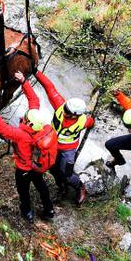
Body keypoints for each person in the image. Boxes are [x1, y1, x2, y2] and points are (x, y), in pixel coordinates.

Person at [0, 77, 56, 223]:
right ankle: (49, 209)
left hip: (23, 168)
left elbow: (1, 128)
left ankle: (27, 212)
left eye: (25, 117)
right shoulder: (40, 128)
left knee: (23, 191)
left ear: (28, 121)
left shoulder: (21, 135)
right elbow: (34, 100)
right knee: (41, 186)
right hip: (37, 166)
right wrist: (24, 82)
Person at [33, 70, 95, 205]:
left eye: (68, 113)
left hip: (68, 150)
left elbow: (91, 123)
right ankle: (62, 188)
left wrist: (92, 123)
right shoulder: (61, 106)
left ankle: (80, 187)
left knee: (66, 173)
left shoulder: (84, 121)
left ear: (76, 115)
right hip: (52, 145)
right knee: (53, 169)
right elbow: (49, 88)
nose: (64, 112)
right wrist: (36, 72)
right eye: (65, 109)